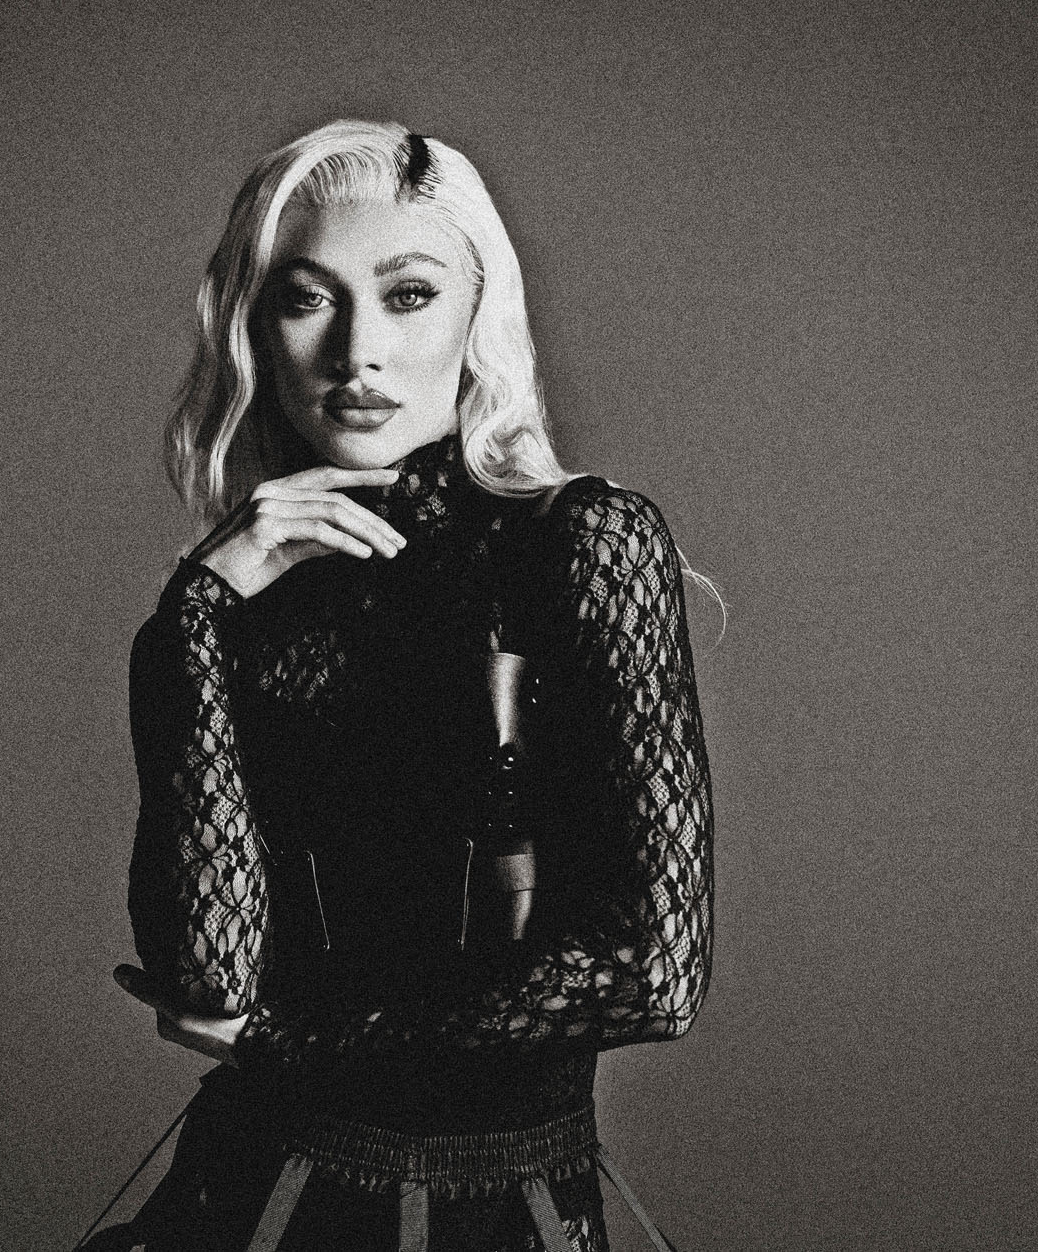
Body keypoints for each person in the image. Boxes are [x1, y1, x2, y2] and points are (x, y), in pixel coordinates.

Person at [114, 119, 713, 1252]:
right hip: (245, 1202)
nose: (356, 353)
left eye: (406, 294)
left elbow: (653, 973)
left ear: (475, 314)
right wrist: (190, 616)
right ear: (254, 326)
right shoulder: (237, 600)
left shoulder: (583, 547)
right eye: (307, 299)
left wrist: (291, 1043)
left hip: (500, 1210)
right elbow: (207, 967)